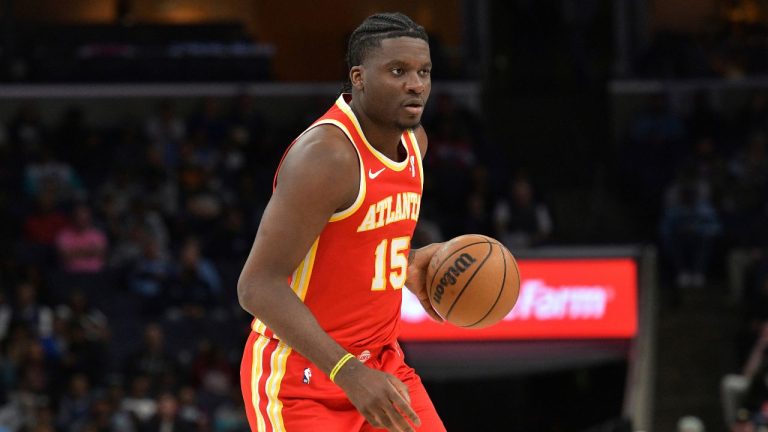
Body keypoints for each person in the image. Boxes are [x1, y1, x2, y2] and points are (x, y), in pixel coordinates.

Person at [237, 12, 446, 432]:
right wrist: (347, 372)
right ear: (359, 77)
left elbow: (355, 242)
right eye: (398, 71)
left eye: (423, 71)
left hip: (382, 365)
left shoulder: (414, 142)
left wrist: (409, 263)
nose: (416, 84)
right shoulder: (327, 156)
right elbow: (256, 286)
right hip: (304, 377)